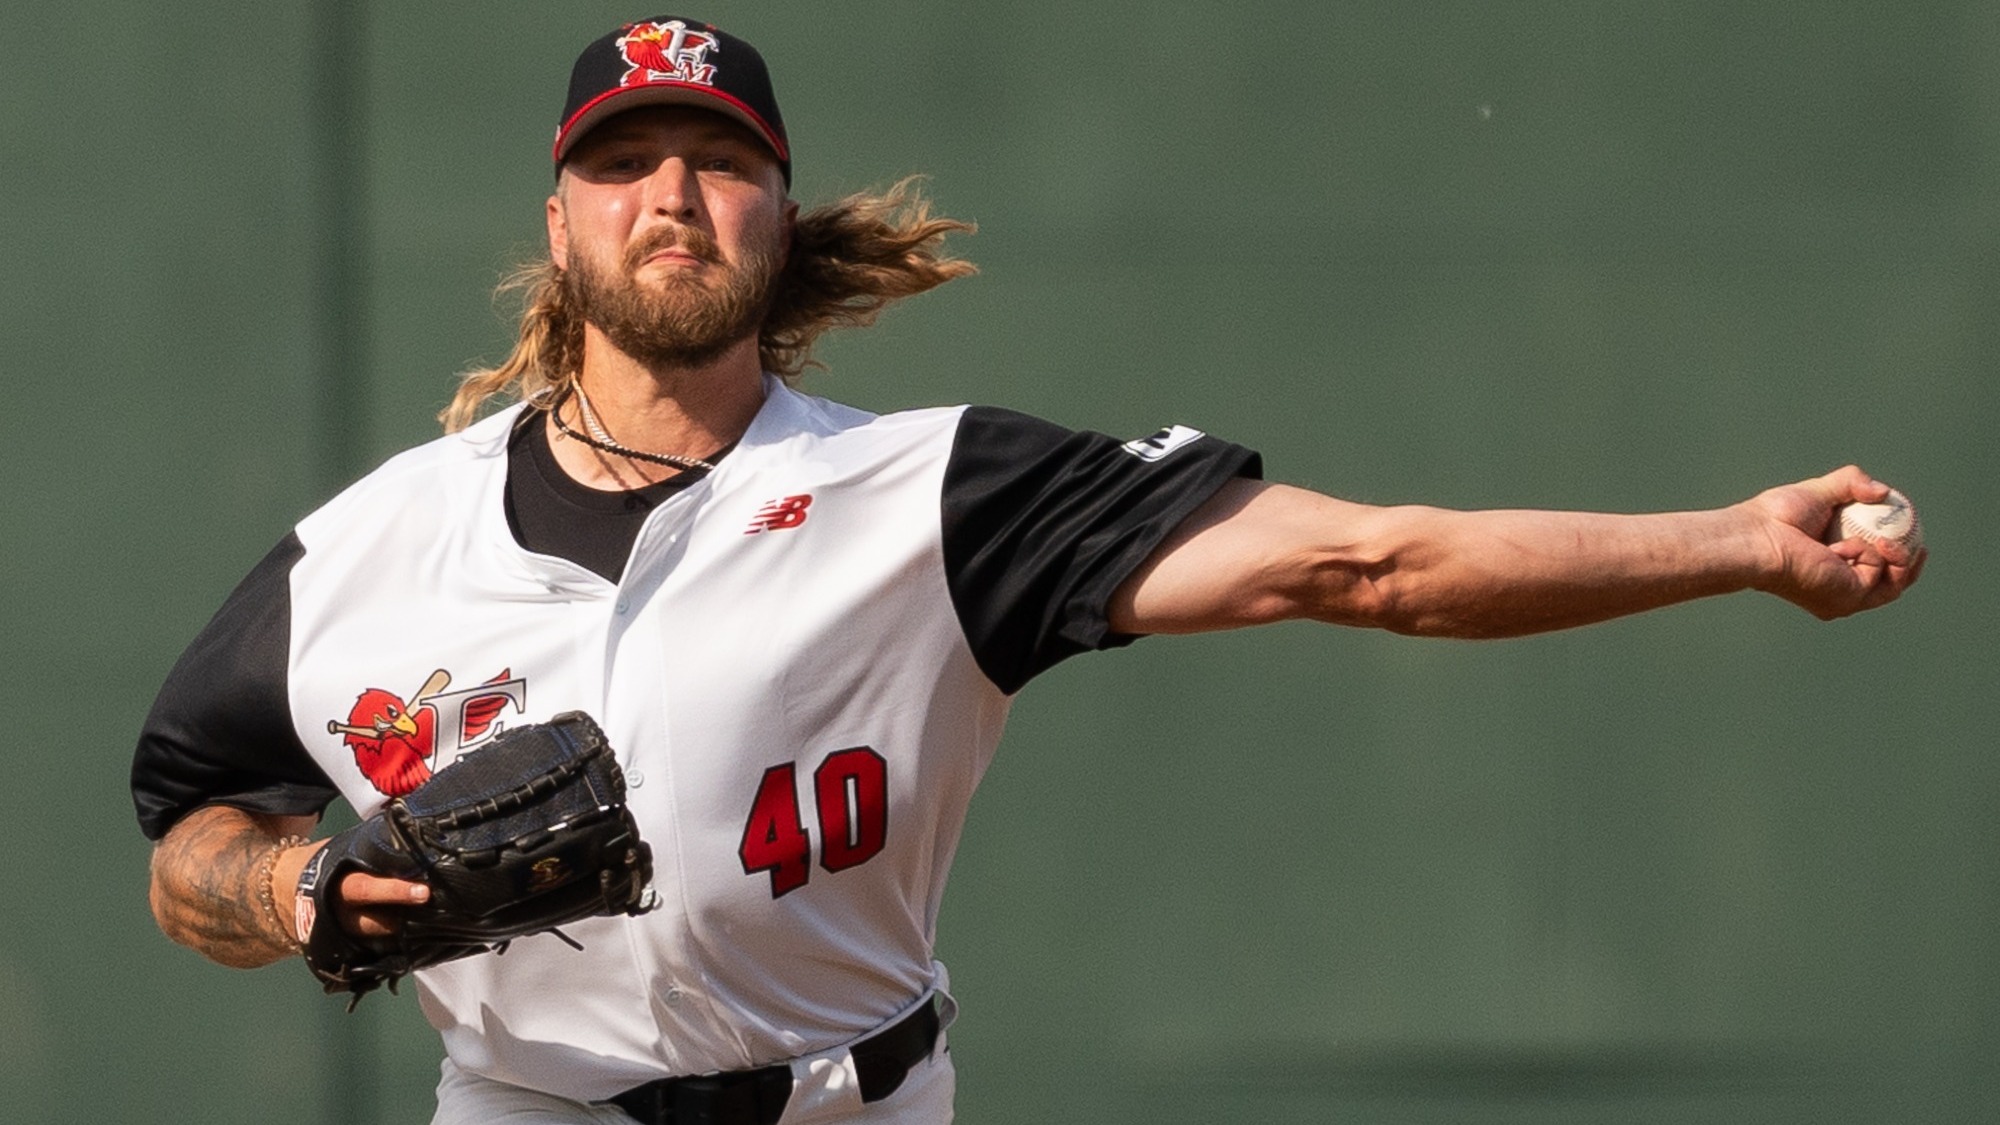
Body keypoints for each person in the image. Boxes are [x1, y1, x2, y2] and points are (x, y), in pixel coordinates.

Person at [131, 14, 1924, 1125]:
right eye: (622, 162)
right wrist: (288, 884)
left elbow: (1372, 563)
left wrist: (1736, 544)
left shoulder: (935, 496)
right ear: (559, 218)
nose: (669, 195)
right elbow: (189, 826)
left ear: (776, 206)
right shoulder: (378, 542)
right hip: (528, 1111)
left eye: (716, 160)